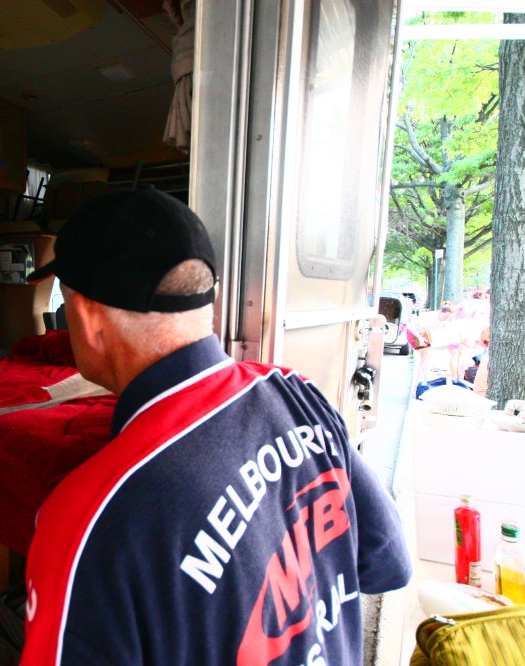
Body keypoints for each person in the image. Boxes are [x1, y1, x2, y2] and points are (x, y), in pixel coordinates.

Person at [21, 188, 412, 664]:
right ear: (211, 299)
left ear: (85, 316)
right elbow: (387, 563)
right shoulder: (297, 394)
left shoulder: (87, 519)